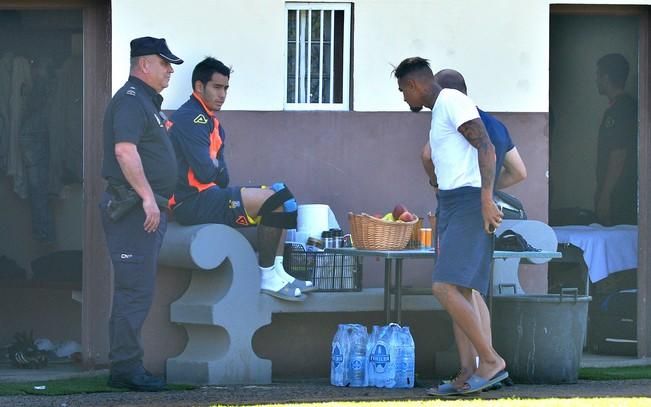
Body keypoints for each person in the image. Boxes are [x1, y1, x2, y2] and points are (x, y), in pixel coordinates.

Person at [394, 57, 507, 396]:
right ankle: (467, 373)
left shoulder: (453, 101)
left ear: (414, 85)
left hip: (469, 202)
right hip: (453, 203)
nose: (404, 99)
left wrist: (486, 199)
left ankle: (490, 361)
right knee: (461, 290)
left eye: (403, 91)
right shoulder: (440, 109)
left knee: (444, 288)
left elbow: (485, 146)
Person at [168, 57, 314, 302]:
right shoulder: (191, 119)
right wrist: (213, 167)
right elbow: (206, 173)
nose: (222, 94)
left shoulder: (213, 123)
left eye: (226, 88)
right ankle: (266, 276)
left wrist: (212, 166)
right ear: (199, 87)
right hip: (191, 203)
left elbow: (222, 176)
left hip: (211, 195)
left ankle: (279, 272)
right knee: (273, 199)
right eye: (216, 87)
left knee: (283, 196)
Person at [422, 68, 527, 393]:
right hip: (482, 205)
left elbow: (426, 155)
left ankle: (483, 364)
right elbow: (520, 171)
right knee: (467, 290)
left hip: (462, 204)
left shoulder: (450, 115)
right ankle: (479, 369)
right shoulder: (495, 124)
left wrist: (438, 186)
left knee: (451, 288)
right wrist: (490, 192)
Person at [100, 36, 183, 391]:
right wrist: (149, 199)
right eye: (164, 64)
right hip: (134, 210)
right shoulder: (132, 101)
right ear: (144, 64)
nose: (169, 71)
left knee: (136, 290)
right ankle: (126, 369)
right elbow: (124, 152)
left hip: (142, 210)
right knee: (134, 291)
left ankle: (125, 366)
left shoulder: (146, 102)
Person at [594, 53, 637, 226]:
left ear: (605, 77)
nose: (595, 80)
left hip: (619, 195)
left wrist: (605, 196)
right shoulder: (627, 107)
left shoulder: (620, 110)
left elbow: (618, 155)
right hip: (620, 192)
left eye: (597, 75)